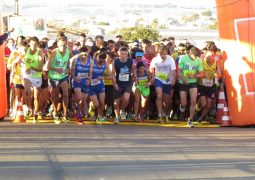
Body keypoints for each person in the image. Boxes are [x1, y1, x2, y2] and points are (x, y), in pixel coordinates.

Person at [177, 47, 204, 127]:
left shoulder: (199, 60)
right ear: (189, 53)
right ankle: (181, 108)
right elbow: (178, 71)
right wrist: (183, 78)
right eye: (193, 56)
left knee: (193, 101)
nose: (194, 58)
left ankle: (190, 119)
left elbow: (202, 73)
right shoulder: (183, 58)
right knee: (184, 103)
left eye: (196, 56)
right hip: (183, 82)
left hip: (193, 82)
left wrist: (195, 75)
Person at [150, 45, 176, 123]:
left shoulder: (170, 59)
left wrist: (173, 78)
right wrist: (152, 76)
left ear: (166, 53)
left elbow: (174, 70)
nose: (163, 56)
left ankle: (164, 113)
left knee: (166, 101)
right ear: (158, 53)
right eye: (161, 54)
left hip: (167, 80)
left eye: (164, 54)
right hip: (158, 79)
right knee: (159, 96)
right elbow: (151, 68)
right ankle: (159, 115)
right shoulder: (155, 59)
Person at [48, 37, 71, 124]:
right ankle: (55, 113)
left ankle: (65, 115)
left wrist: (68, 69)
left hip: (63, 76)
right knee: (56, 97)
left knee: (65, 94)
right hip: (54, 76)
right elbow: (49, 66)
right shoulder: (54, 52)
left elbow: (68, 63)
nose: (62, 47)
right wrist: (57, 69)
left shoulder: (68, 52)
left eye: (64, 45)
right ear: (57, 45)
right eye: (61, 45)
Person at [197, 44, 222, 123]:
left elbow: (219, 73)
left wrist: (217, 75)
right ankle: (198, 105)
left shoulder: (217, 58)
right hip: (201, 84)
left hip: (211, 85)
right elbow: (197, 71)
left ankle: (200, 118)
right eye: (209, 55)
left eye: (212, 55)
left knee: (209, 105)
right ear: (206, 52)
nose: (210, 57)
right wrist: (203, 74)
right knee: (204, 104)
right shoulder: (202, 57)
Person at [22, 36, 44, 123]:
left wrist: (31, 68)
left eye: (35, 44)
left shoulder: (40, 53)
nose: (33, 46)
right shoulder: (25, 50)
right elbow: (19, 58)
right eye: (31, 44)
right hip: (27, 75)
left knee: (36, 97)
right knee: (27, 91)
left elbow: (40, 69)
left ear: (38, 45)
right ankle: (29, 108)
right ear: (29, 44)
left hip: (37, 75)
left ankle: (36, 112)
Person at [112, 47, 136, 124]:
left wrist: (134, 76)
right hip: (118, 83)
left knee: (126, 99)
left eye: (125, 54)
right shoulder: (115, 61)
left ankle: (122, 110)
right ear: (119, 53)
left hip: (127, 83)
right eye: (122, 54)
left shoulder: (130, 61)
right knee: (116, 103)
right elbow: (112, 74)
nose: (123, 55)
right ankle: (117, 117)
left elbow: (133, 69)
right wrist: (114, 84)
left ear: (127, 54)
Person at [70, 46, 93, 125]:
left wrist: (89, 79)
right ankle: (75, 109)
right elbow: (71, 71)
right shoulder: (75, 60)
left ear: (88, 54)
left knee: (83, 100)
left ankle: (78, 114)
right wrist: (75, 77)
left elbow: (90, 72)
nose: (84, 57)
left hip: (85, 82)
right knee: (80, 98)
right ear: (79, 54)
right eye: (82, 55)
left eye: (85, 55)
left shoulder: (91, 61)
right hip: (77, 81)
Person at [89, 51, 111, 124]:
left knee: (102, 102)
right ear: (97, 58)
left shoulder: (105, 63)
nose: (101, 63)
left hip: (100, 85)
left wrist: (103, 77)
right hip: (91, 85)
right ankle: (92, 108)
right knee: (96, 104)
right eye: (100, 61)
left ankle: (99, 117)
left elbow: (110, 76)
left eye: (103, 61)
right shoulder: (92, 62)